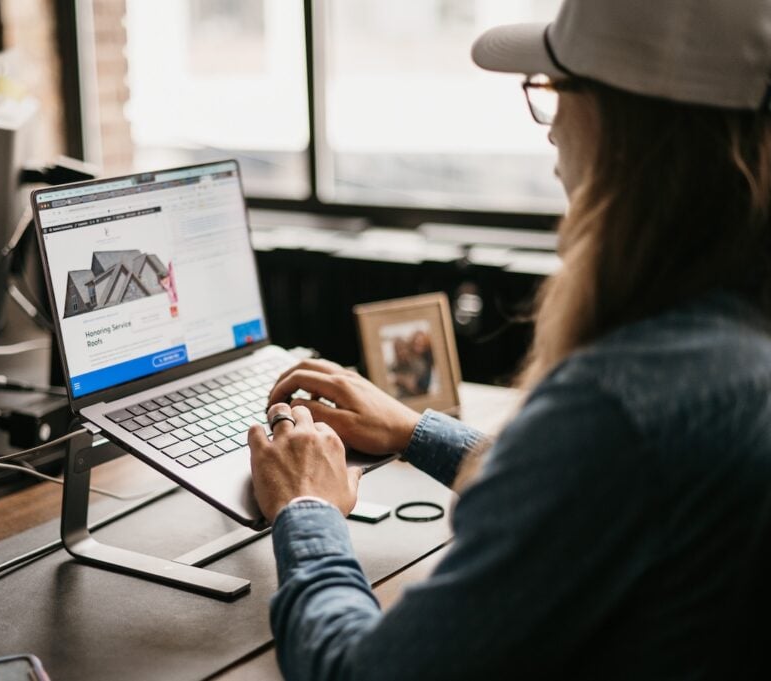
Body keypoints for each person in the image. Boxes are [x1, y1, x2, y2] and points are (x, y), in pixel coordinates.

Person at [247, 0, 771, 678]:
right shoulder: (725, 348)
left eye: (555, 90)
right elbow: (600, 491)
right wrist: (415, 431)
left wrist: (306, 506)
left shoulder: (620, 403)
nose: (551, 136)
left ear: (621, 124)